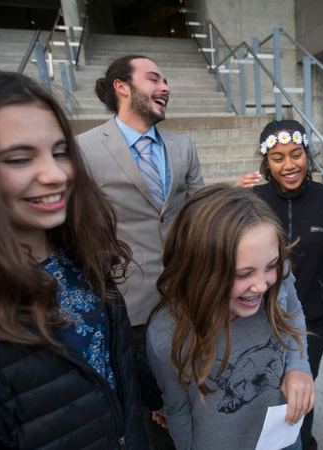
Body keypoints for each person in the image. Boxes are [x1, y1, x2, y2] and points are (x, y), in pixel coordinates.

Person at [0, 67, 162, 449]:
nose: (56, 174)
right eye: (18, 159)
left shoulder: (79, 253)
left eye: (61, 152)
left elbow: (115, 355)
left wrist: (159, 397)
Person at [77, 54, 205, 449]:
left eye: (166, 80)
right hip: (129, 306)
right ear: (121, 86)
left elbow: (198, 214)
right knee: (151, 410)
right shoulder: (84, 148)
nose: (165, 87)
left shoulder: (183, 146)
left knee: (194, 392)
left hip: (187, 298)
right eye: (154, 78)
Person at [146, 185, 314, 450]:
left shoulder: (277, 281)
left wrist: (298, 366)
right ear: (199, 270)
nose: (261, 285)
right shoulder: (167, 335)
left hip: (283, 439)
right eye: (242, 274)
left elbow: (293, 313)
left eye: (270, 266)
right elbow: (177, 411)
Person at [236, 119, 323, 450]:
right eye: (278, 157)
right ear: (266, 163)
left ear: (307, 155)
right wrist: (229, 201)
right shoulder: (252, 199)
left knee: (301, 387)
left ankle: (302, 442)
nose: (289, 165)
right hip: (259, 317)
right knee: (264, 391)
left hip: (310, 319)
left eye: (296, 154)